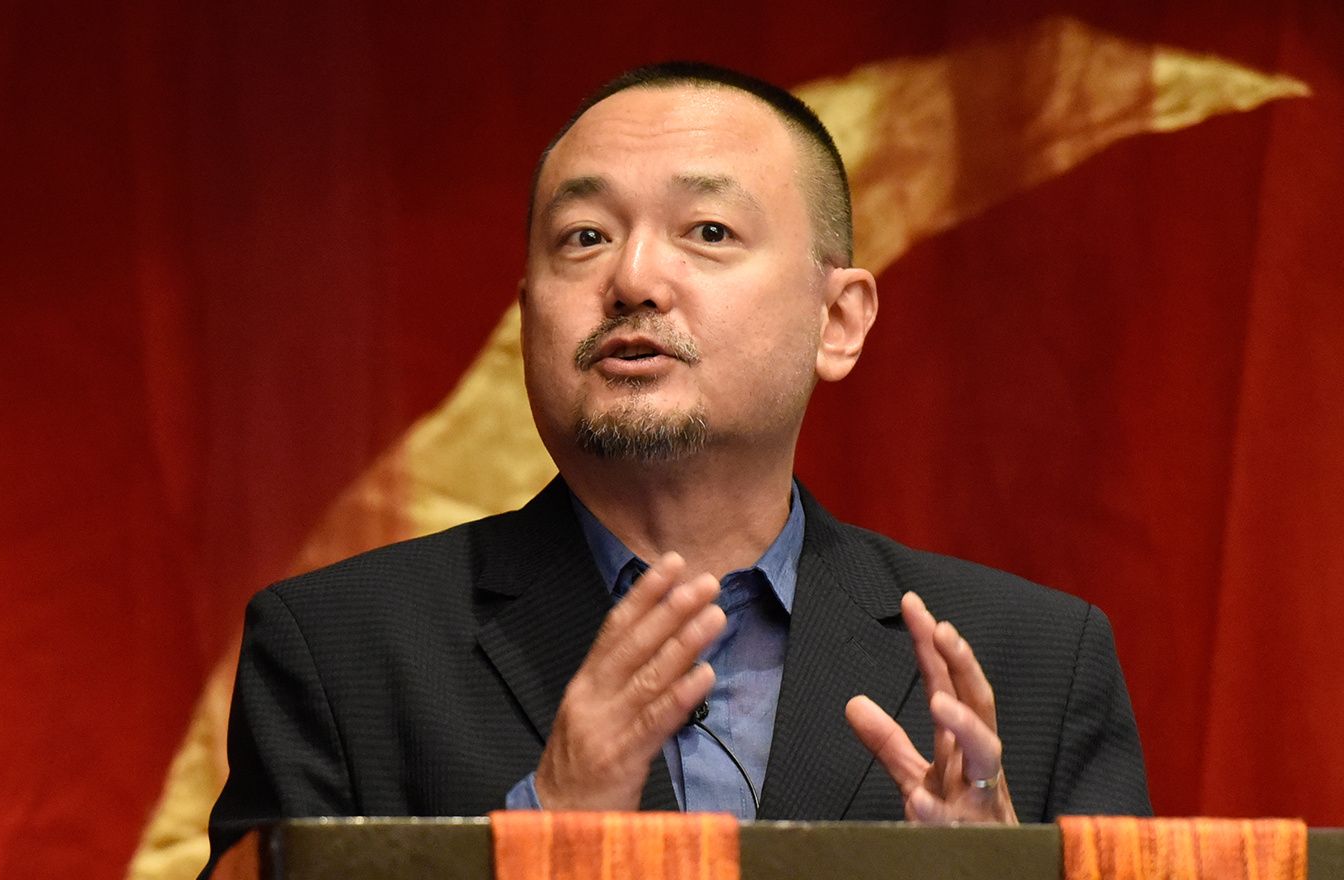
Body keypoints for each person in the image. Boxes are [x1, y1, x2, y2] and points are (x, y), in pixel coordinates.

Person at [202, 60, 1150, 873]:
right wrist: (549, 831)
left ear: (840, 319)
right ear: (528, 315)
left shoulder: (1036, 664)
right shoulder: (342, 652)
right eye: (585, 238)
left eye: (708, 233)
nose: (635, 279)